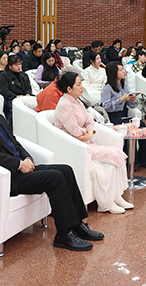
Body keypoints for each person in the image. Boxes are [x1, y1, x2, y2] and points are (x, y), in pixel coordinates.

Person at [0, 79, 103, 251]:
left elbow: (15, 143)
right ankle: (64, 234)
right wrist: (18, 164)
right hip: (7, 177)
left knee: (65, 170)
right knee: (55, 177)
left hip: (20, 170)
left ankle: (78, 224)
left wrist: (27, 158)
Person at [54, 72, 132, 214]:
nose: (82, 87)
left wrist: (88, 132)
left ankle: (116, 196)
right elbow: (75, 132)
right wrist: (87, 132)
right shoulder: (65, 105)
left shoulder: (77, 101)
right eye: (78, 84)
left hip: (86, 143)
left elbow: (90, 121)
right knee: (114, 155)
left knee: (117, 155)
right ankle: (107, 202)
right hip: (75, 147)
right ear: (69, 89)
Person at [101, 62, 146, 168]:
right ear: (113, 73)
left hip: (124, 115)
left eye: (123, 69)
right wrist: (120, 100)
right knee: (129, 128)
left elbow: (131, 106)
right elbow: (106, 106)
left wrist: (132, 100)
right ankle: (131, 162)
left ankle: (144, 159)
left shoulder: (123, 85)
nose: (124, 72)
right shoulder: (107, 88)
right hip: (113, 117)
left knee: (141, 125)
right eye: (120, 70)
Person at [0, 55, 32, 122]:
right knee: (16, 108)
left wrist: (28, 94)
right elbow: (4, 91)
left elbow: (28, 87)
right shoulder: (4, 76)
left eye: (20, 64)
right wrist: (16, 96)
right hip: (11, 99)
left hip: (24, 97)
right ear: (10, 66)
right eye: (16, 65)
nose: (19, 67)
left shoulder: (24, 75)